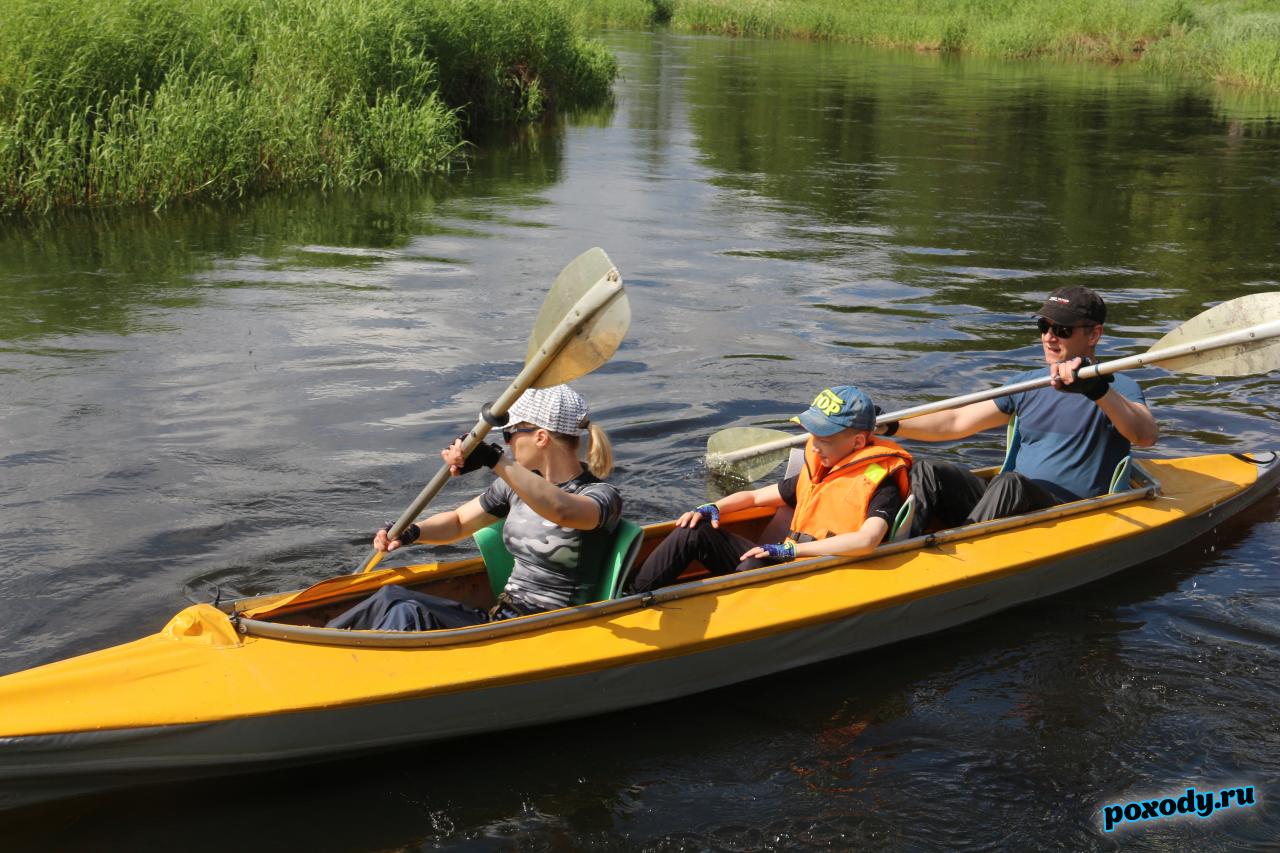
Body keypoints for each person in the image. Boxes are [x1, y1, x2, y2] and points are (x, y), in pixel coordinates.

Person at [327, 384, 622, 631]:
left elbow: (563, 512)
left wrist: (494, 460)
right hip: (503, 617)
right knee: (391, 597)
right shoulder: (516, 485)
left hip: (547, 629)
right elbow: (458, 522)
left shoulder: (601, 496)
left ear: (541, 437)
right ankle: (323, 647)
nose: (506, 444)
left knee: (409, 615)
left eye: (510, 434)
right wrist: (408, 533)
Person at [888, 286, 1159, 535]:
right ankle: (900, 548)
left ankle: (962, 552)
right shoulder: (1027, 384)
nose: (1049, 337)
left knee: (1010, 484)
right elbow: (955, 421)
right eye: (1044, 326)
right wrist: (891, 425)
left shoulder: (1117, 386)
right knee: (927, 470)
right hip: (1008, 500)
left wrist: (1097, 391)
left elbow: (1145, 436)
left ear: (1095, 334)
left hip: (1067, 513)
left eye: (1062, 329)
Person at [626, 385, 910, 594]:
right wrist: (712, 508)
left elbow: (867, 541)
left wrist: (789, 553)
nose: (815, 444)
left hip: (821, 577)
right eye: (813, 434)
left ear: (859, 443)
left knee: (752, 567)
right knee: (694, 530)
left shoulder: (881, 483)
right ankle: (629, 598)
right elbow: (754, 496)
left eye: (825, 437)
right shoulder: (822, 468)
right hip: (788, 562)